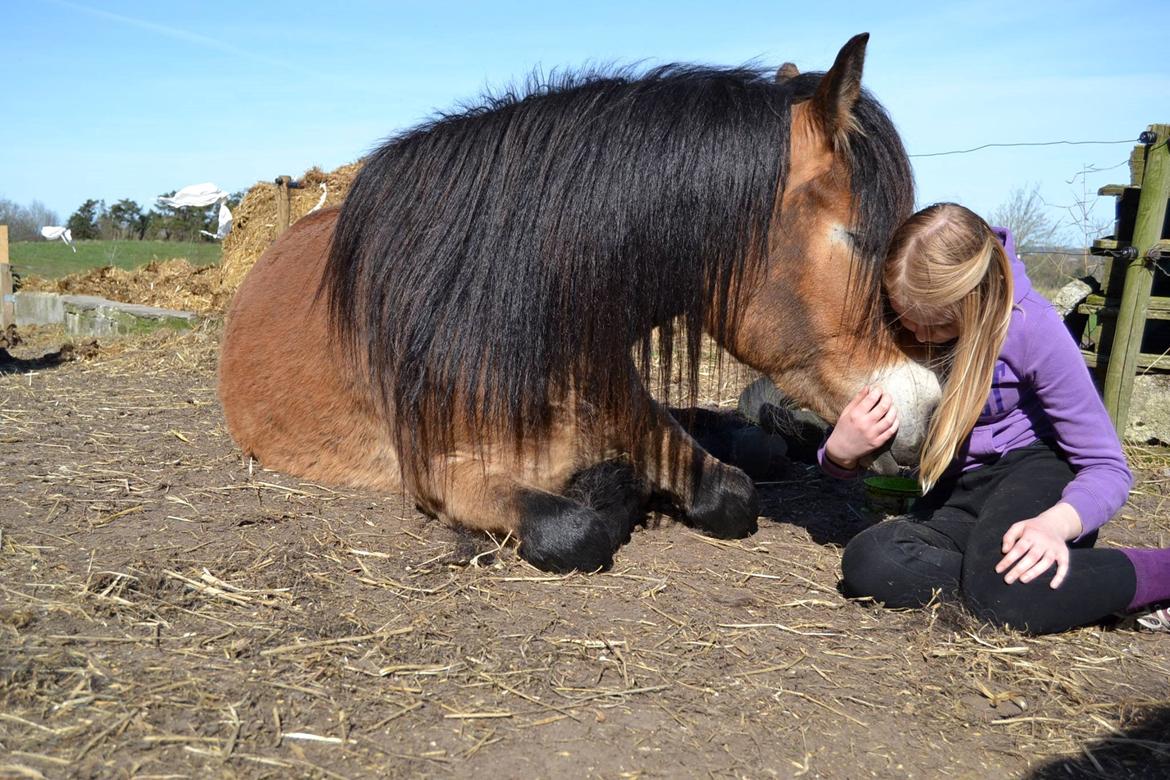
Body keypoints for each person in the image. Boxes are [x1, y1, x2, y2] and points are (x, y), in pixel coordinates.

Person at [820, 202, 1170, 635]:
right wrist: (838, 453)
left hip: (1034, 477)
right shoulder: (907, 325)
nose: (919, 337)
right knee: (870, 561)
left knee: (1004, 599)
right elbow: (866, 438)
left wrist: (1054, 523)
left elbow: (1108, 467)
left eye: (936, 324)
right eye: (905, 320)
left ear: (975, 299)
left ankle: (1161, 571)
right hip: (960, 493)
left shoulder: (1033, 328)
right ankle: (1029, 586)